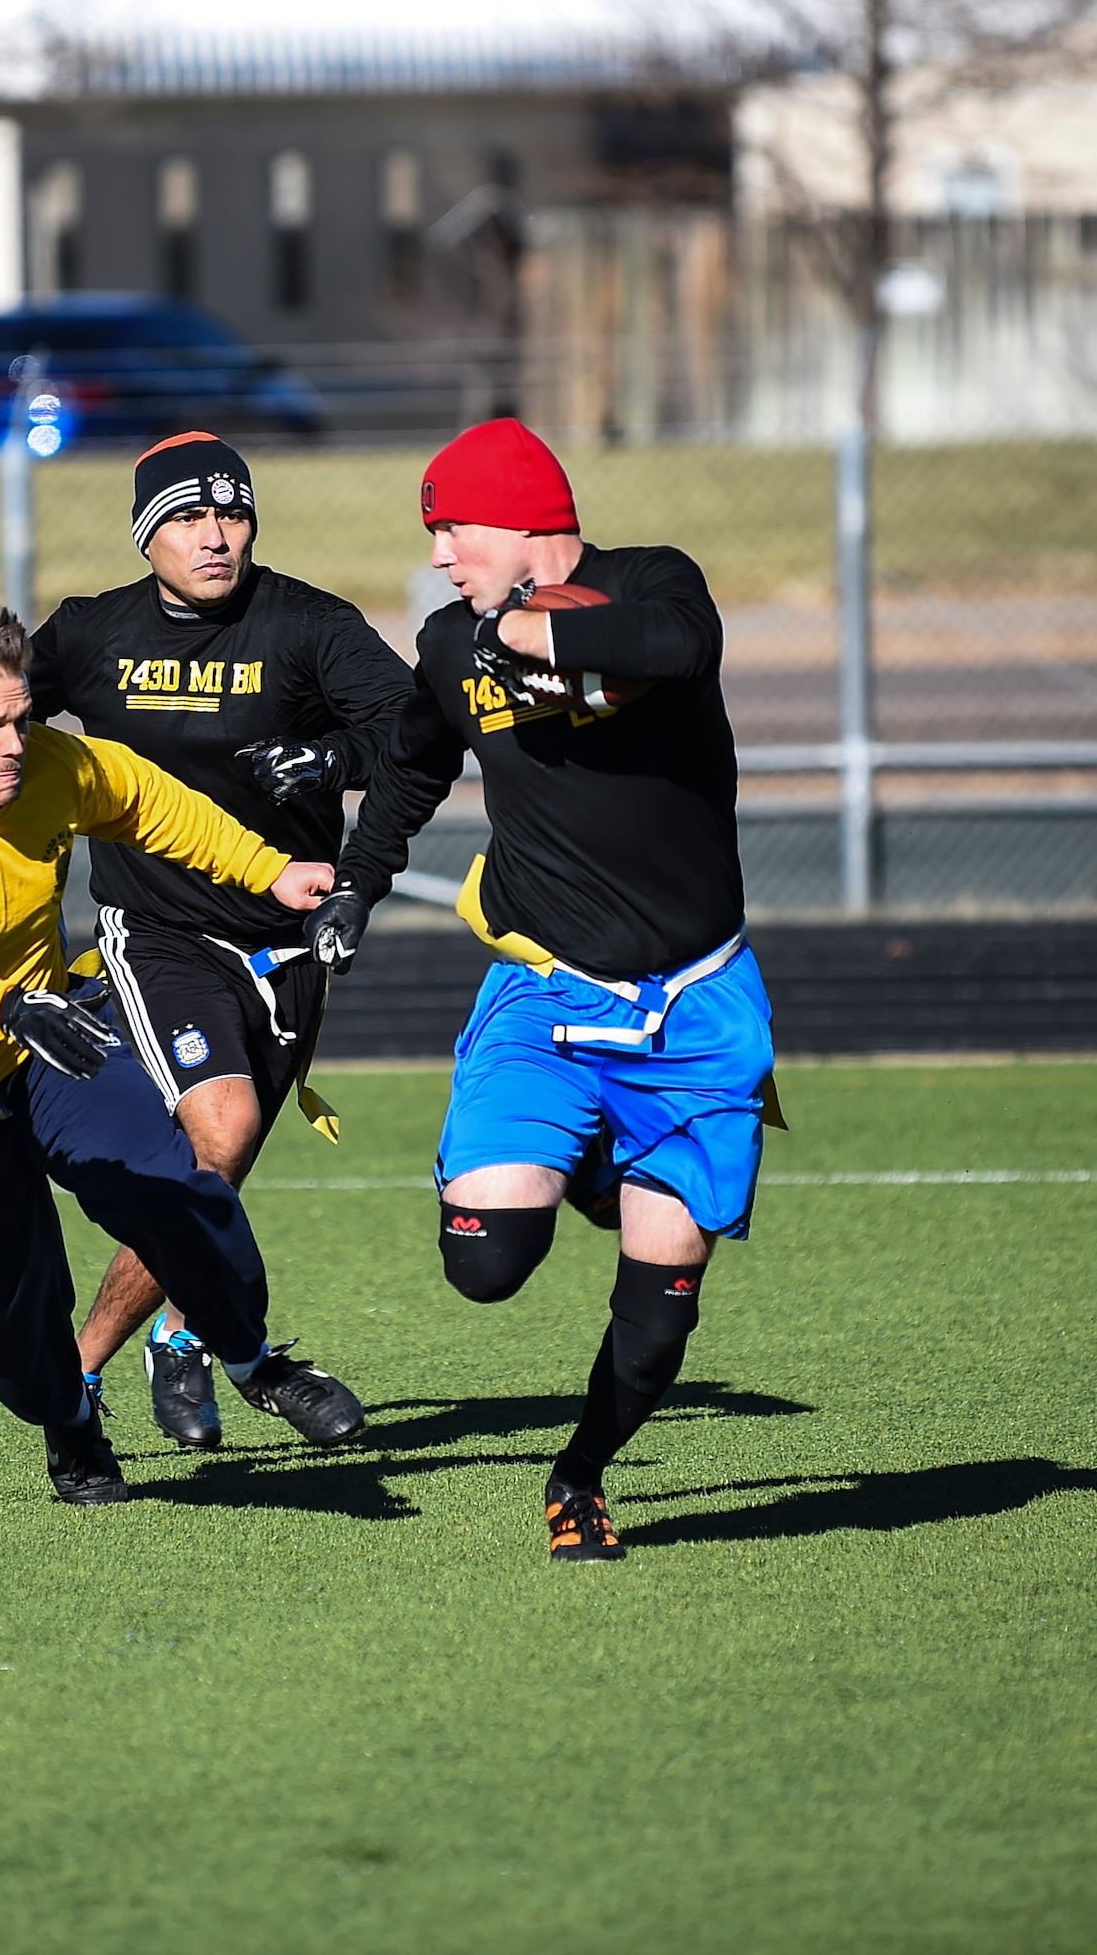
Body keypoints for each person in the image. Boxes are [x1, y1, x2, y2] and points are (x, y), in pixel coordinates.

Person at [304, 417, 779, 1563]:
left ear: (519, 521)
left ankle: (581, 1472)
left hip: (699, 1005)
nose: (440, 558)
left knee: (662, 1311)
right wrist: (358, 887)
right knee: (483, 1261)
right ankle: (597, 1160)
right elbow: (415, 765)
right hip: (547, 993)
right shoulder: (445, 641)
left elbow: (674, 645)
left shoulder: (652, 583)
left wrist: (516, 628)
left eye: (451, 531)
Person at [0, 604, 365, 1509]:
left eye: (22, 718)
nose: (12, 744)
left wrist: (268, 869)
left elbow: (148, 802)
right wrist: (2, 1005)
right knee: (15, 1333)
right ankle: (70, 1420)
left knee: (173, 1183)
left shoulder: (48, 768)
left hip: (44, 1051)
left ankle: (250, 1360)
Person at [29, 432, 412, 1450]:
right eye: (190, 518)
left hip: (287, 941)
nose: (216, 535)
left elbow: (416, 733)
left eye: (232, 514)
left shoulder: (310, 625)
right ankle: (77, 1374)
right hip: (157, 929)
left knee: (217, 1167)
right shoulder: (89, 633)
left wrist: (336, 754)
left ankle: (181, 1335)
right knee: (224, 1130)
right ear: (147, 532)